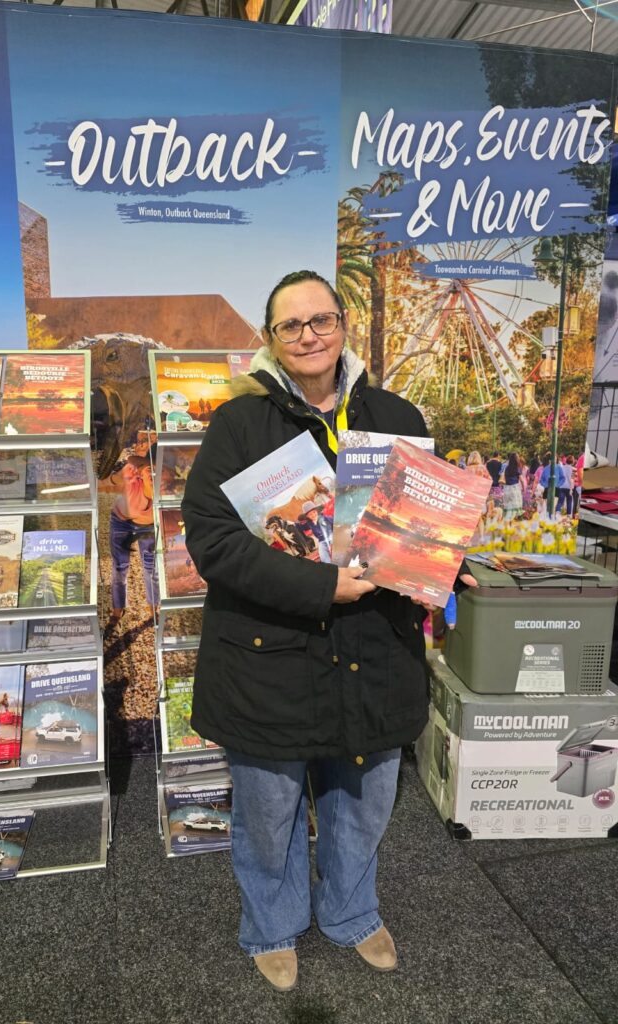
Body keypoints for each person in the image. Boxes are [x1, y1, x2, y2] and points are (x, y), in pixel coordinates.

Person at [181, 270, 474, 992]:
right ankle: (272, 925)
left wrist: (446, 557)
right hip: (269, 655)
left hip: (375, 648)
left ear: (344, 325)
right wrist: (320, 585)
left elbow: (416, 524)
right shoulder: (238, 425)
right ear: (270, 340)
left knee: (364, 798)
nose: (309, 335)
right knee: (268, 808)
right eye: (291, 326)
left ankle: (350, 912)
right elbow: (211, 538)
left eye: (321, 320)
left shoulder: (395, 415)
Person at [107, 437, 159, 627]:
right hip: (122, 521)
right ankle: (117, 609)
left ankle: (154, 608)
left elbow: (151, 494)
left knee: (151, 569)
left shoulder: (161, 477)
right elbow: (109, 479)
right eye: (141, 442)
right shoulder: (132, 465)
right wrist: (119, 477)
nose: (143, 445)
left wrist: (147, 474)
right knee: (119, 568)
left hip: (148, 526)